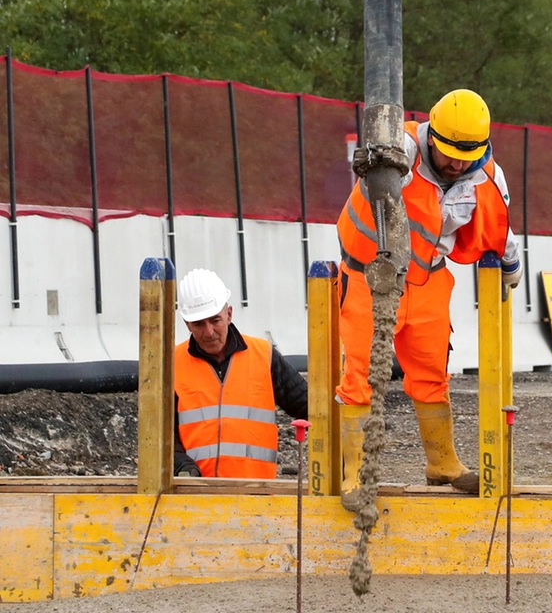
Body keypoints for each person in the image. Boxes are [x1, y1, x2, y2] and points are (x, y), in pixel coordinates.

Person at [337, 88, 522, 495]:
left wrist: (511, 268)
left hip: (429, 280)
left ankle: (442, 464)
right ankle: (355, 475)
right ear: (431, 136)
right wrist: (375, 157)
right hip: (371, 277)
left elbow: (501, 225)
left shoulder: (486, 176)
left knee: (431, 376)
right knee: (360, 378)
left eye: (467, 155)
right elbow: (383, 157)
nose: (457, 163)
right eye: (449, 152)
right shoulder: (401, 148)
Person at [172, 268, 309, 478]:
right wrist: (182, 465)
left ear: (229, 314)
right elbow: (158, 436)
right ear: (187, 324)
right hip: (195, 495)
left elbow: (312, 408)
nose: (208, 332)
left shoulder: (263, 356)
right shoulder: (172, 364)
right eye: (199, 324)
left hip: (256, 495)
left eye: (215, 320)